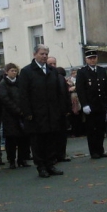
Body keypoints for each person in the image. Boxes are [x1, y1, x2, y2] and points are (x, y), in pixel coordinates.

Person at [19, 44, 69, 178]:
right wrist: (28, 113)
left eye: (46, 54)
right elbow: (23, 94)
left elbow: (59, 92)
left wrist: (60, 110)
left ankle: (50, 164)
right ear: (35, 54)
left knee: (51, 140)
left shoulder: (52, 71)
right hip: (36, 114)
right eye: (42, 53)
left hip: (52, 113)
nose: (45, 56)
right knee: (38, 142)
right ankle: (41, 166)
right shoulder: (27, 71)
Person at [76, 50, 107, 159]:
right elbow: (80, 89)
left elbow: (106, 87)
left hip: (101, 105)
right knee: (92, 130)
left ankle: (100, 150)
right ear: (86, 59)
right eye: (90, 58)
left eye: (94, 58)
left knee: (101, 129)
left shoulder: (101, 70)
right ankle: (94, 151)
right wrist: (84, 104)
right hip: (90, 106)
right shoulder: (82, 72)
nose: (92, 60)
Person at [0, 63, 30, 169]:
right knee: (11, 139)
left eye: (15, 71)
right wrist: (17, 110)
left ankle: (22, 159)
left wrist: (23, 110)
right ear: (6, 72)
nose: (14, 73)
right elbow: (5, 99)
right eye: (12, 70)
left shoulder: (20, 82)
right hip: (9, 115)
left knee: (23, 139)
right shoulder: (3, 84)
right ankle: (11, 160)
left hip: (21, 115)